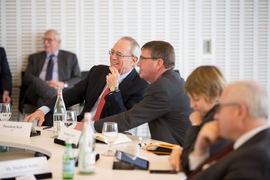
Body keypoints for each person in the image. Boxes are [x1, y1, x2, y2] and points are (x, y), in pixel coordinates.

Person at [24, 36, 149, 126]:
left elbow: (123, 119)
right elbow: (71, 94)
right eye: (112, 52)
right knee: (48, 115)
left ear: (133, 60)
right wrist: (42, 110)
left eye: (119, 54)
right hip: (81, 124)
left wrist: (114, 90)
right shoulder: (98, 71)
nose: (112, 57)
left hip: (105, 131)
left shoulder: (140, 85)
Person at [93, 40, 193, 145]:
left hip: (178, 153)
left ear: (159, 63)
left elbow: (129, 119)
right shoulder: (173, 81)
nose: (139, 64)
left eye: (142, 59)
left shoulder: (161, 87)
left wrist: (90, 126)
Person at [188, 80, 270, 180]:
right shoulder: (249, 144)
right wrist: (200, 150)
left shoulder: (254, 159)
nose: (216, 116)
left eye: (220, 108)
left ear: (240, 112)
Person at [169, 65, 231, 174]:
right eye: (191, 98)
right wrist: (181, 151)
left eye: (196, 99)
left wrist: (195, 125)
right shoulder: (218, 112)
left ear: (215, 94)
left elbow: (188, 164)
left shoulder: (214, 119)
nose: (192, 105)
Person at [20, 29, 81, 112]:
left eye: (49, 40)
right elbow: (27, 78)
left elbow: (78, 78)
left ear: (58, 42)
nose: (45, 42)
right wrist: (43, 84)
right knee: (37, 81)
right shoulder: (34, 58)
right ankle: (59, 102)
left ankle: (46, 121)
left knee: (43, 100)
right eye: (44, 39)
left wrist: (64, 84)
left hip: (58, 91)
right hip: (36, 92)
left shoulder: (70, 57)